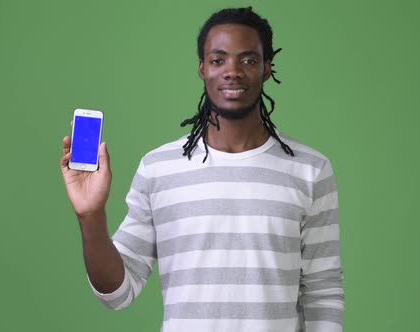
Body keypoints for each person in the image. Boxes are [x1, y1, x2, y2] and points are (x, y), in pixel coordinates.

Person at [60, 7, 345, 332]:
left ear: (267, 69)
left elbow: (323, 290)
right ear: (202, 69)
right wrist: (90, 215)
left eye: (249, 60)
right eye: (218, 59)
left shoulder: (310, 169)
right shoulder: (159, 169)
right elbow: (116, 293)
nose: (232, 71)